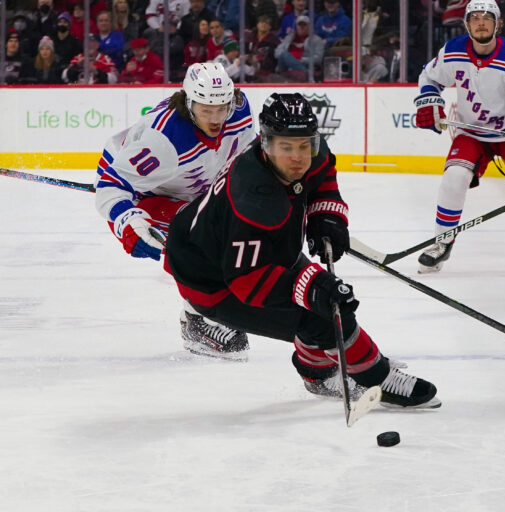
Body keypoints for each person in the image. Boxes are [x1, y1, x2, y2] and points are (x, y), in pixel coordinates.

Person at [164, 92, 441, 408]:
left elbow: (323, 173)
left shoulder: (311, 151)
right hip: (211, 279)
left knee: (322, 306)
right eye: (286, 147)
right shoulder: (255, 196)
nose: (298, 156)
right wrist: (314, 287)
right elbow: (248, 283)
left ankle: (317, 371)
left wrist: (326, 214)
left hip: (246, 248)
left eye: (304, 144)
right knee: (324, 317)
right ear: (265, 144)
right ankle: (374, 377)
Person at [94, 62, 256, 359]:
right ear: (189, 103)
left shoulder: (240, 111)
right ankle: (196, 320)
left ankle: (204, 307)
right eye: (206, 109)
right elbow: (111, 185)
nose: (216, 117)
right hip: (145, 191)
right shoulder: (165, 141)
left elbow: (247, 158)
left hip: (193, 187)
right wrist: (129, 221)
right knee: (194, 241)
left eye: (222, 108)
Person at [413, 0, 505, 273]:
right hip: (472, 132)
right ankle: (442, 241)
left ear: (498, 23)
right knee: (454, 176)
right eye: (474, 17)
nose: (481, 22)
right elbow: (428, 76)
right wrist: (429, 99)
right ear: (466, 23)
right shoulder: (453, 51)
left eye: (487, 17)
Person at [274, 15, 324, 81]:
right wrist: (290, 59)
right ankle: (308, 75)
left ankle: (306, 74)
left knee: (285, 55)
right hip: (285, 67)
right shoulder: (289, 38)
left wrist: (299, 60)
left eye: (304, 25)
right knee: (284, 54)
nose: (301, 27)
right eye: (299, 25)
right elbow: (276, 53)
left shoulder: (317, 40)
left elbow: (318, 59)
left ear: (309, 26)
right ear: (296, 26)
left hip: (303, 66)